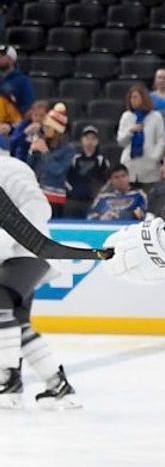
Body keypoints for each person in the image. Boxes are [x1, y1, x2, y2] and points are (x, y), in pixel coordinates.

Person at [0, 152, 78, 409]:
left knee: (1, 303)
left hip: (28, 252)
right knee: (19, 321)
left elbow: (37, 206)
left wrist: (13, 239)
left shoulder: (10, 168)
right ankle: (57, 386)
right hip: (17, 255)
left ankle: (7, 379)